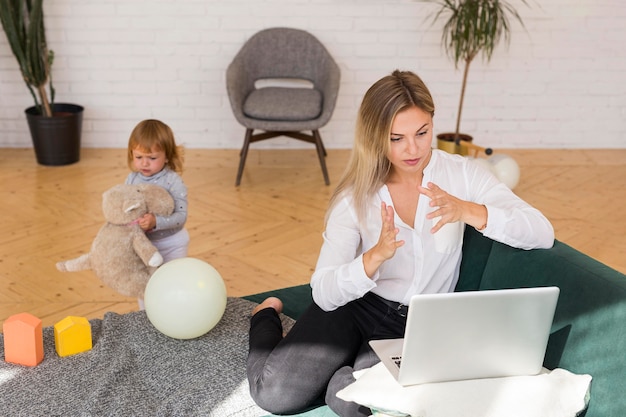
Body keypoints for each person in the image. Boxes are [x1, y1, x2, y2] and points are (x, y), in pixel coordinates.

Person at [246, 70, 555, 416]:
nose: (413, 149)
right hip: (354, 305)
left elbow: (541, 232)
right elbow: (323, 291)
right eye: (396, 138)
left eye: (422, 133)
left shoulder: (462, 174)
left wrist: (466, 210)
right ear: (376, 137)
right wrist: (373, 258)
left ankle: (339, 378)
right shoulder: (354, 196)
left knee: (366, 404)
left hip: (417, 323)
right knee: (274, 396)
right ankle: (265, 316)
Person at [125, 119, 189, 308]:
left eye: (152, 158)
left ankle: (175, 313)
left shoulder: (173, 181)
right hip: (145, 245)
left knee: (173, 283)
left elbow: (181, 216)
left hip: (172, 243)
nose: (144, 163)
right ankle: (145, 318)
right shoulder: (131, 179)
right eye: (138, 157)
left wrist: (156, 222)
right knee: (145, 285)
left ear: (167, 156)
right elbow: (126, 209)